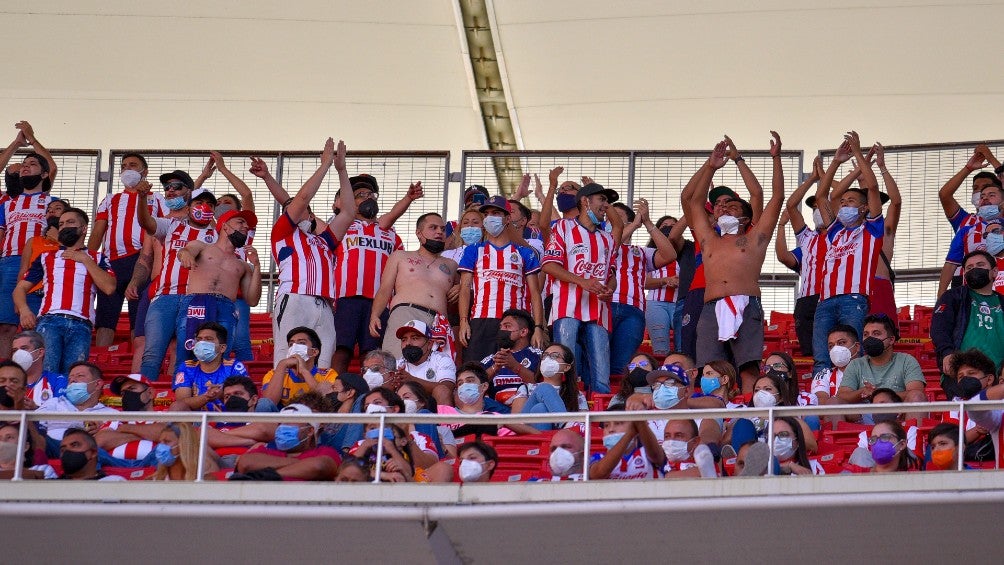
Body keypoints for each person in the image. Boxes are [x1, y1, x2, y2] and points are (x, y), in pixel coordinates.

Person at [684, 133, 783, 393]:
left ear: (747, 216)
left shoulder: (755, 239)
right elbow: (694, 200)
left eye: (733, 206)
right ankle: (712, 415)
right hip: (710, 306)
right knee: (709, 370)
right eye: (721, 206)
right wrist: (711, 166)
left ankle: (750, 412)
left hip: (746, 303)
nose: (725, 208)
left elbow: (776, 196)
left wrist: (775, 159)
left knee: (748, 368)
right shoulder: (707, 238)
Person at [267, 138, 355, 368]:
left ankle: (318, 403)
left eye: (302, 210)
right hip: (295, 297)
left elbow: (348, 213)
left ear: (311, 215)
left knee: (323, 362)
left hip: (324, 304)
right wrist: (324, 165)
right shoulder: (283, 233)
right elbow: (303, 198)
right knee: (287, 359)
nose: (297, 211)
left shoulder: (324, 240)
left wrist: (342, 171)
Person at [811, 132, 884, 375]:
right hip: (825, 301)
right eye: (843, 202)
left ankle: (854, 396)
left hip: (854, 299)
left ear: (864, 208)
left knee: (854, 355)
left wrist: (860, 156)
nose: (843, 205)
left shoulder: (872, 230)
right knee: (822, 357)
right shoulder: (834, 233)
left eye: (850, 201)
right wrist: (837, 162)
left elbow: (872, 187)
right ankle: (821, 396)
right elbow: (824, 196)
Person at [541, 182, 623, 393]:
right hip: (566, 307)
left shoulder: (607, 239)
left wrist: (610, 289)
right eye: (602, 200)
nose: (606, 206)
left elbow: (611, 275)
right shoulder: (562, 226)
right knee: (564, 367)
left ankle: (599, 419)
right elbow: (549, 265)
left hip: (599, 311)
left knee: (601, 372)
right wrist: (582, 281)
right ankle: (565, 412)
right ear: (586, 201)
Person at [14, 208, 115, 375]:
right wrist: (24, 310)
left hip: (82, 325)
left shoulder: (98, 258)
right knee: (47, 374)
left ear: (83, 229)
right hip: (49, 321)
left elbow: (109, 287)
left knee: (74, 377)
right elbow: (20, 288)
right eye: (61, 224)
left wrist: (84, 259)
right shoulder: (46, 256)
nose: (64, 226)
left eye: (70, 222)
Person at [132, 187, 219, 380]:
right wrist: (142, 197)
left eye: (210, 204)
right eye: (199, 203)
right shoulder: (171, 225)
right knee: (152, 353)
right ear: (188, 208)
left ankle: (179, 397)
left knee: (184, 354)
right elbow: (146, 223)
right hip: (164, 297)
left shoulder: (219, 237)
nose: (204, 207)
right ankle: (143, 398)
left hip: (195, 300)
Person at [330, 173, 414, 373]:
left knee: (372, 353)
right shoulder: (341, 227)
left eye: (370, 194)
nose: (367, 197)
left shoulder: (392, 233)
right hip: (345, 298)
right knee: (341, 349)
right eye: (359, 194)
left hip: (379, 302)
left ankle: (369, 396)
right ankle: (335, 395)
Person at [89, 152, 168, 347]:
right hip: (111, 261)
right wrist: (89, 258)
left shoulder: (157, 198)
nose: (127, 169)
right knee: (106, 315)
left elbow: (167, 228)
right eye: (124, 166)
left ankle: (136, 359)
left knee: (137, 314)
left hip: (141, 260)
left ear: (145, 171)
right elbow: (98, 231)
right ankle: (102, 358)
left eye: (133, 165)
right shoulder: (109, 199)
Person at [457, 196, 545, 363]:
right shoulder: (473, 251)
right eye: (487, 214)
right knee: (477, 373)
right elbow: (465, 288)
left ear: (508, 218)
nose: (490, 217)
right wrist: (463, 321)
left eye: (496, 213)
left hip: (516, 324)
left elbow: (535, 292)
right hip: (481, 321)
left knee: (514, 375)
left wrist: (538, 327)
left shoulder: (524, 253)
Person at [0, 122, 59, 358]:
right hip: (8, 263)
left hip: (39, 265)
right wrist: (16, 143)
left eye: (32, 164)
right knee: (4, 325)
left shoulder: (50, 202)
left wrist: (32, 139)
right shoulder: (7, 202)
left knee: (31, 323)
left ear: (44, 174)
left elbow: (52, 165)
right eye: (23, 165)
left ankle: (33, 370)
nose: (25, 168)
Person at [176, 204, 261, 360]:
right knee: (186, 356)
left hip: (226, 306)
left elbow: (252, 300)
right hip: (196, 301)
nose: (246, 227)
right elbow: (185, 251)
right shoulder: (201, 246)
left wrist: (256, 266)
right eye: (241, 222)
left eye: (247, 225)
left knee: (221, 357)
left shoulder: (243, 265)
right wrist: (185, 255)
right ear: (225, 227)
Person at [370, 212, 457, 359]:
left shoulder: (452, 265)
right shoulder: (400, 256)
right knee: (397, 364)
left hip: (438, 321)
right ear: (419, 233)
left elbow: (458, 300)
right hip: (405, 313)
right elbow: (385, 289)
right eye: (433, 227)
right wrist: (375, 315)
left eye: (442, 229)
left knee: (435, 370)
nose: (439, 232)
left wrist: (460, 288)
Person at [608, 199, 677, 374]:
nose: (611, 220)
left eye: (617, 216)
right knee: (598, 362)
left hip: (633, 310)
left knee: (622, 365)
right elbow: (610, 245)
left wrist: (647, 223)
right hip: (603, 307)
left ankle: (618, 399)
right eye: (608, 217)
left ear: (630, 222)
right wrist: (634, 225)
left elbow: (669, 254)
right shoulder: (598, 244)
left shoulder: (640, 252)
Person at [931, 250, 1004, 378]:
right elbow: (939, 328)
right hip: (961, 373)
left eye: (980, 265)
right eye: (969, 267)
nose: (974, 269)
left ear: (994, 271)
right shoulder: (953, 296)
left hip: (1000, 375)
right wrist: (947, 353)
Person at [779, 157, 825, 356]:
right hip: (806, 300)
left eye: (821, 206)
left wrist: (826, 179)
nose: (817, 211)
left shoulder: (843, 235)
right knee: (810, 352)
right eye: (814, 208)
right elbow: (791, 205)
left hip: (830, 298)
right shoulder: (807, 238)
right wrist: (812, 179)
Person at [233, 402, 341, 481]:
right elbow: (245, 462)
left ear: (310, 431)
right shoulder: (266, 451)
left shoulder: (324, 452)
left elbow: (320, 466)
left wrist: (270, 475)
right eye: (280, 423)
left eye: (289, 422)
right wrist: (303, 465)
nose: (282, 427)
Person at [837, 314, 926, 404]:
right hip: (863, 415)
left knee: (917, 396)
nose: (870, 338)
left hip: (896, 413)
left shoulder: (907, 361)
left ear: (891, 340)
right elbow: (841, 396)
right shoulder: (855, 364)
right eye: (866, 334)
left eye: (876, 333)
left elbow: (916, 393)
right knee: (833, 402)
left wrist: (881, 396)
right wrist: (862, 391)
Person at [35, 362, 117, 455]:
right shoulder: (54, 403)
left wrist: (100, 431)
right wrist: (81, 424)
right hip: (52, 449)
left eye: (80, 376)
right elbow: (34, 428)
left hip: (85, 454)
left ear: (97, 384)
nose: (72, 380)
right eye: (70, 378)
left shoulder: (111, 414)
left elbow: (110, 440)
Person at [938, 182, 1004, 297]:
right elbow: (950, 265)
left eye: (991, 195)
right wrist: (941, 296)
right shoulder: (966, 231)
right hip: (976, 299)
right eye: (982, 197)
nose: (985, 199)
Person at [169, 322, 250, 412]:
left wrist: (221, 393)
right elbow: (182, 402)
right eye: (199, 339)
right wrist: (207, 397)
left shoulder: (234, 366)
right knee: (177, 407)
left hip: (230, 417)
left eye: (208, 339)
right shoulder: (187, 367)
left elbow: (243, 398)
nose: (202, 343)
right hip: (196, 421)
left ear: (222, 348)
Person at [259, 327, 339, 412]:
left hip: (315, 421)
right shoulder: (274, 373)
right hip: (281, 421)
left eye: (301, 343)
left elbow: (328, 403)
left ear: (314, 352)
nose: (294, 347)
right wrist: (282, 365)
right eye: (291, 344)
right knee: (263, 403)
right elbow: (268, 403)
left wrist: (304, 371)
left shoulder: (328, 374)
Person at [17, 199, 68, 322]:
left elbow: (78, 260)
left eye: (57, 208)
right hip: (33, 296)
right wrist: (19, 303)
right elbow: (23, 270)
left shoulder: (73, 243)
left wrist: (58, 239)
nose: (51, 211)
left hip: (59, 297)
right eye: (49, 210)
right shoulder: (33, 241)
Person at [515, 344, 585, 431]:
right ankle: (565, 422)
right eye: (545, 355)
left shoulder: (577, 395)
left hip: (557, 439)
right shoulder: (525, 388)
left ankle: (562, 426)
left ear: (566, 367)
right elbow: (516, 423)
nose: (547, 359)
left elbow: (584, 423)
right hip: (528, 432)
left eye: (555, 356)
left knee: (540, 408)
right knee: (544, 387)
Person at [481, 308, 541, 406]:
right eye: (501, 327)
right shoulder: (492, 359)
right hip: (497, 411)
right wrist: (495, 368)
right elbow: (475, 385)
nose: (502, 330)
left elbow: (544, 385)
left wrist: (515, 366)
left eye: (507, 326)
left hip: (529, 409)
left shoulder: (538, 355)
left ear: (523, 332)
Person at [589, 406, 666, 480]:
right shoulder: (597, 457)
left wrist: (640, 423)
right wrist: (630, 434)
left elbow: (656, 457)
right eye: (606, 425)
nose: (611, 429)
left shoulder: (647, 452)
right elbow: (598, 474)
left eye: (618, 423)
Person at [392, 319, 456, 406]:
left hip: (432, 411)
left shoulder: (441, 359)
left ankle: (443, 420)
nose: (408, 343)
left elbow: (447, 388)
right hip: (404, 410)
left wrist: (412, 380)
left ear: (429, 344)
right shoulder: (397, 364)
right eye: (404, 340)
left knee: (442, 390)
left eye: (414, 338)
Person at [645, 215, 683, 357]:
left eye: (674, 226)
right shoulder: (648, 254)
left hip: (681, 304)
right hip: (656, 304)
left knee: (683, 348)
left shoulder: (687, 253)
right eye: (664, 225)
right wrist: (665, 280)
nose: (669, 228)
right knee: (660, 351)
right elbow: (643, 282)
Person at [11, 330, 66, 409]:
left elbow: (62, 415)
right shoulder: (7, 382)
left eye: (24, 348)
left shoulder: (58, 381)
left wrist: (36, 410)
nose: (18, 353)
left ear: (40, 352)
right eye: (14, 350)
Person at [810, 324, 861, 406]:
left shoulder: (870, 369)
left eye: (841, 343)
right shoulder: (824, 375)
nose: (835, 349)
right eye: (831, 346)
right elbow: (820, 404)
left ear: (857, 347)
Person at [150, 422, 220, 481]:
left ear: (184, 444)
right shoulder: (154, 480)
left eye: (167, 441)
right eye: (160, 442)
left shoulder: (205, 477)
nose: (161, 446)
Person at [57, 428, 126, 481]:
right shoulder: (50, 485)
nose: (67, 451)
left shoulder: (112, 483)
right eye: (63, 450)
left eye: (75, 445)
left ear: (93, 452)